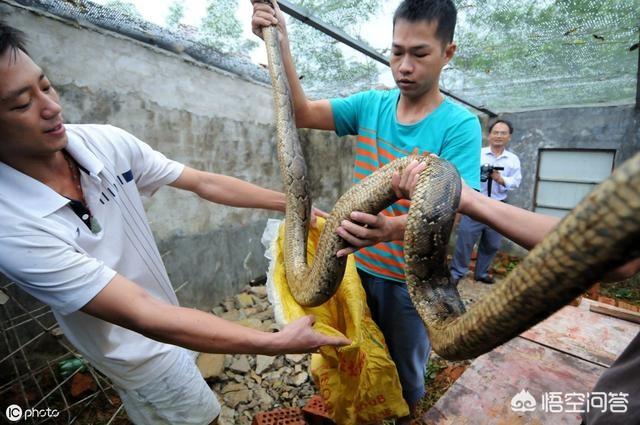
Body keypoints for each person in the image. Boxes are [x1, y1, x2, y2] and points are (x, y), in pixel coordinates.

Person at [0, 22, 350, 425]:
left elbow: (202, 182)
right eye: (21, 104)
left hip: (164, 318)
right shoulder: (13, 228)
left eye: (46, 85)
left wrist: (294, 206)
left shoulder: (104, 143)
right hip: (137, 351)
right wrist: (274, 343)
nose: (51, 107)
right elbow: (143, 314)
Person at [252, 0, 481, 420]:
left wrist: (390, 229)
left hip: (405, 283)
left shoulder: (459, 125)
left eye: (420, 53)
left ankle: (407, 416)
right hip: (351, 270)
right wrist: (279, 38)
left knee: (405, 372)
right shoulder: (370, 106)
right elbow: (300, 113)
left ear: (448, 53)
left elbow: (461, 209)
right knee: (354, 355)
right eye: (397, 52)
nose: (404, 66)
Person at [394, 159, 640, 425]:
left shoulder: (505, 158)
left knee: (486, 252)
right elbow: (617, 257)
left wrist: (472, 201)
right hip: (612, 407)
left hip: (617, 411)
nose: (497, 135)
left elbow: (616, 256)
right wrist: (472, 201)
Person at [450, 118, 522, 285]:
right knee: (465, 240)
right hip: (475, 204)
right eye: (495, 132)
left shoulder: (512, 159)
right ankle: (456, 273)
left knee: (492, 244)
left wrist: (500, 179)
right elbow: (464, 175)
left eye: (503, 133)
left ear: (509, 137)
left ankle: (481, 272)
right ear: (489, 135)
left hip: (498, 206)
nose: (499, 136)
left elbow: (516, 182)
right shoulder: (477, 154)